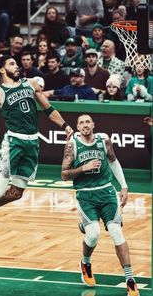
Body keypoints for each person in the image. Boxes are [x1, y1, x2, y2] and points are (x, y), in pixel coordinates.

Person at [0, 55, 74, 233]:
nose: (17, 66)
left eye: (16, 63)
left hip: (32, 143)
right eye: (12, 64)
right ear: (2, 70)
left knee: (16, 194)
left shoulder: (31, 83)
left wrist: (64, 125)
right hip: (14, 143)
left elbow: (48, 108)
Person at [61, 114, 139, 296]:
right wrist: (82, 169)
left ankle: (130, 279)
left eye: (88, 122)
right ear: (78, 127)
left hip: (107, 192)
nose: (85, 125)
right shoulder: (72, 145)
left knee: (116, 232)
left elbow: (113, 161)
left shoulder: (103, 140)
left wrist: (124, 186)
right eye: (81, 123)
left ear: (93, 125)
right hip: (85, 196)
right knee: (94, 234)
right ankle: (85, 263)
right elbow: (64, 174)